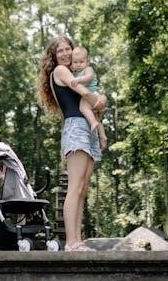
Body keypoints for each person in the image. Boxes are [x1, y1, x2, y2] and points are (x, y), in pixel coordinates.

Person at [37, 36, 105, 252]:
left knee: (82, 188)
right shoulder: (60, 71)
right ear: (54, 56)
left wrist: (98, 105)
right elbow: (85, 93)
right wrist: (100, 101)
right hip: (76, 128)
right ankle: (71, 242)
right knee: (75, 187)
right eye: (60, 51)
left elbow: (89, 98)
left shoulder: (76, 73)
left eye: (68, 49)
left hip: (87, 129)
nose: (65, 53)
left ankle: (78, 240)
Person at [69, 46, 108, 150]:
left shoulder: (88, 69)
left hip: (92, 93)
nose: (78, 64)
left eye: (81, 62)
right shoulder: (75, 73)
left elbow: (89, 77)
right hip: (89, 96)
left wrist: (78, 80)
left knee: (83, 108)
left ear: (87, 62)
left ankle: (93, 122)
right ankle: (102, 136)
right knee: (96, 116)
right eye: (75, 62)